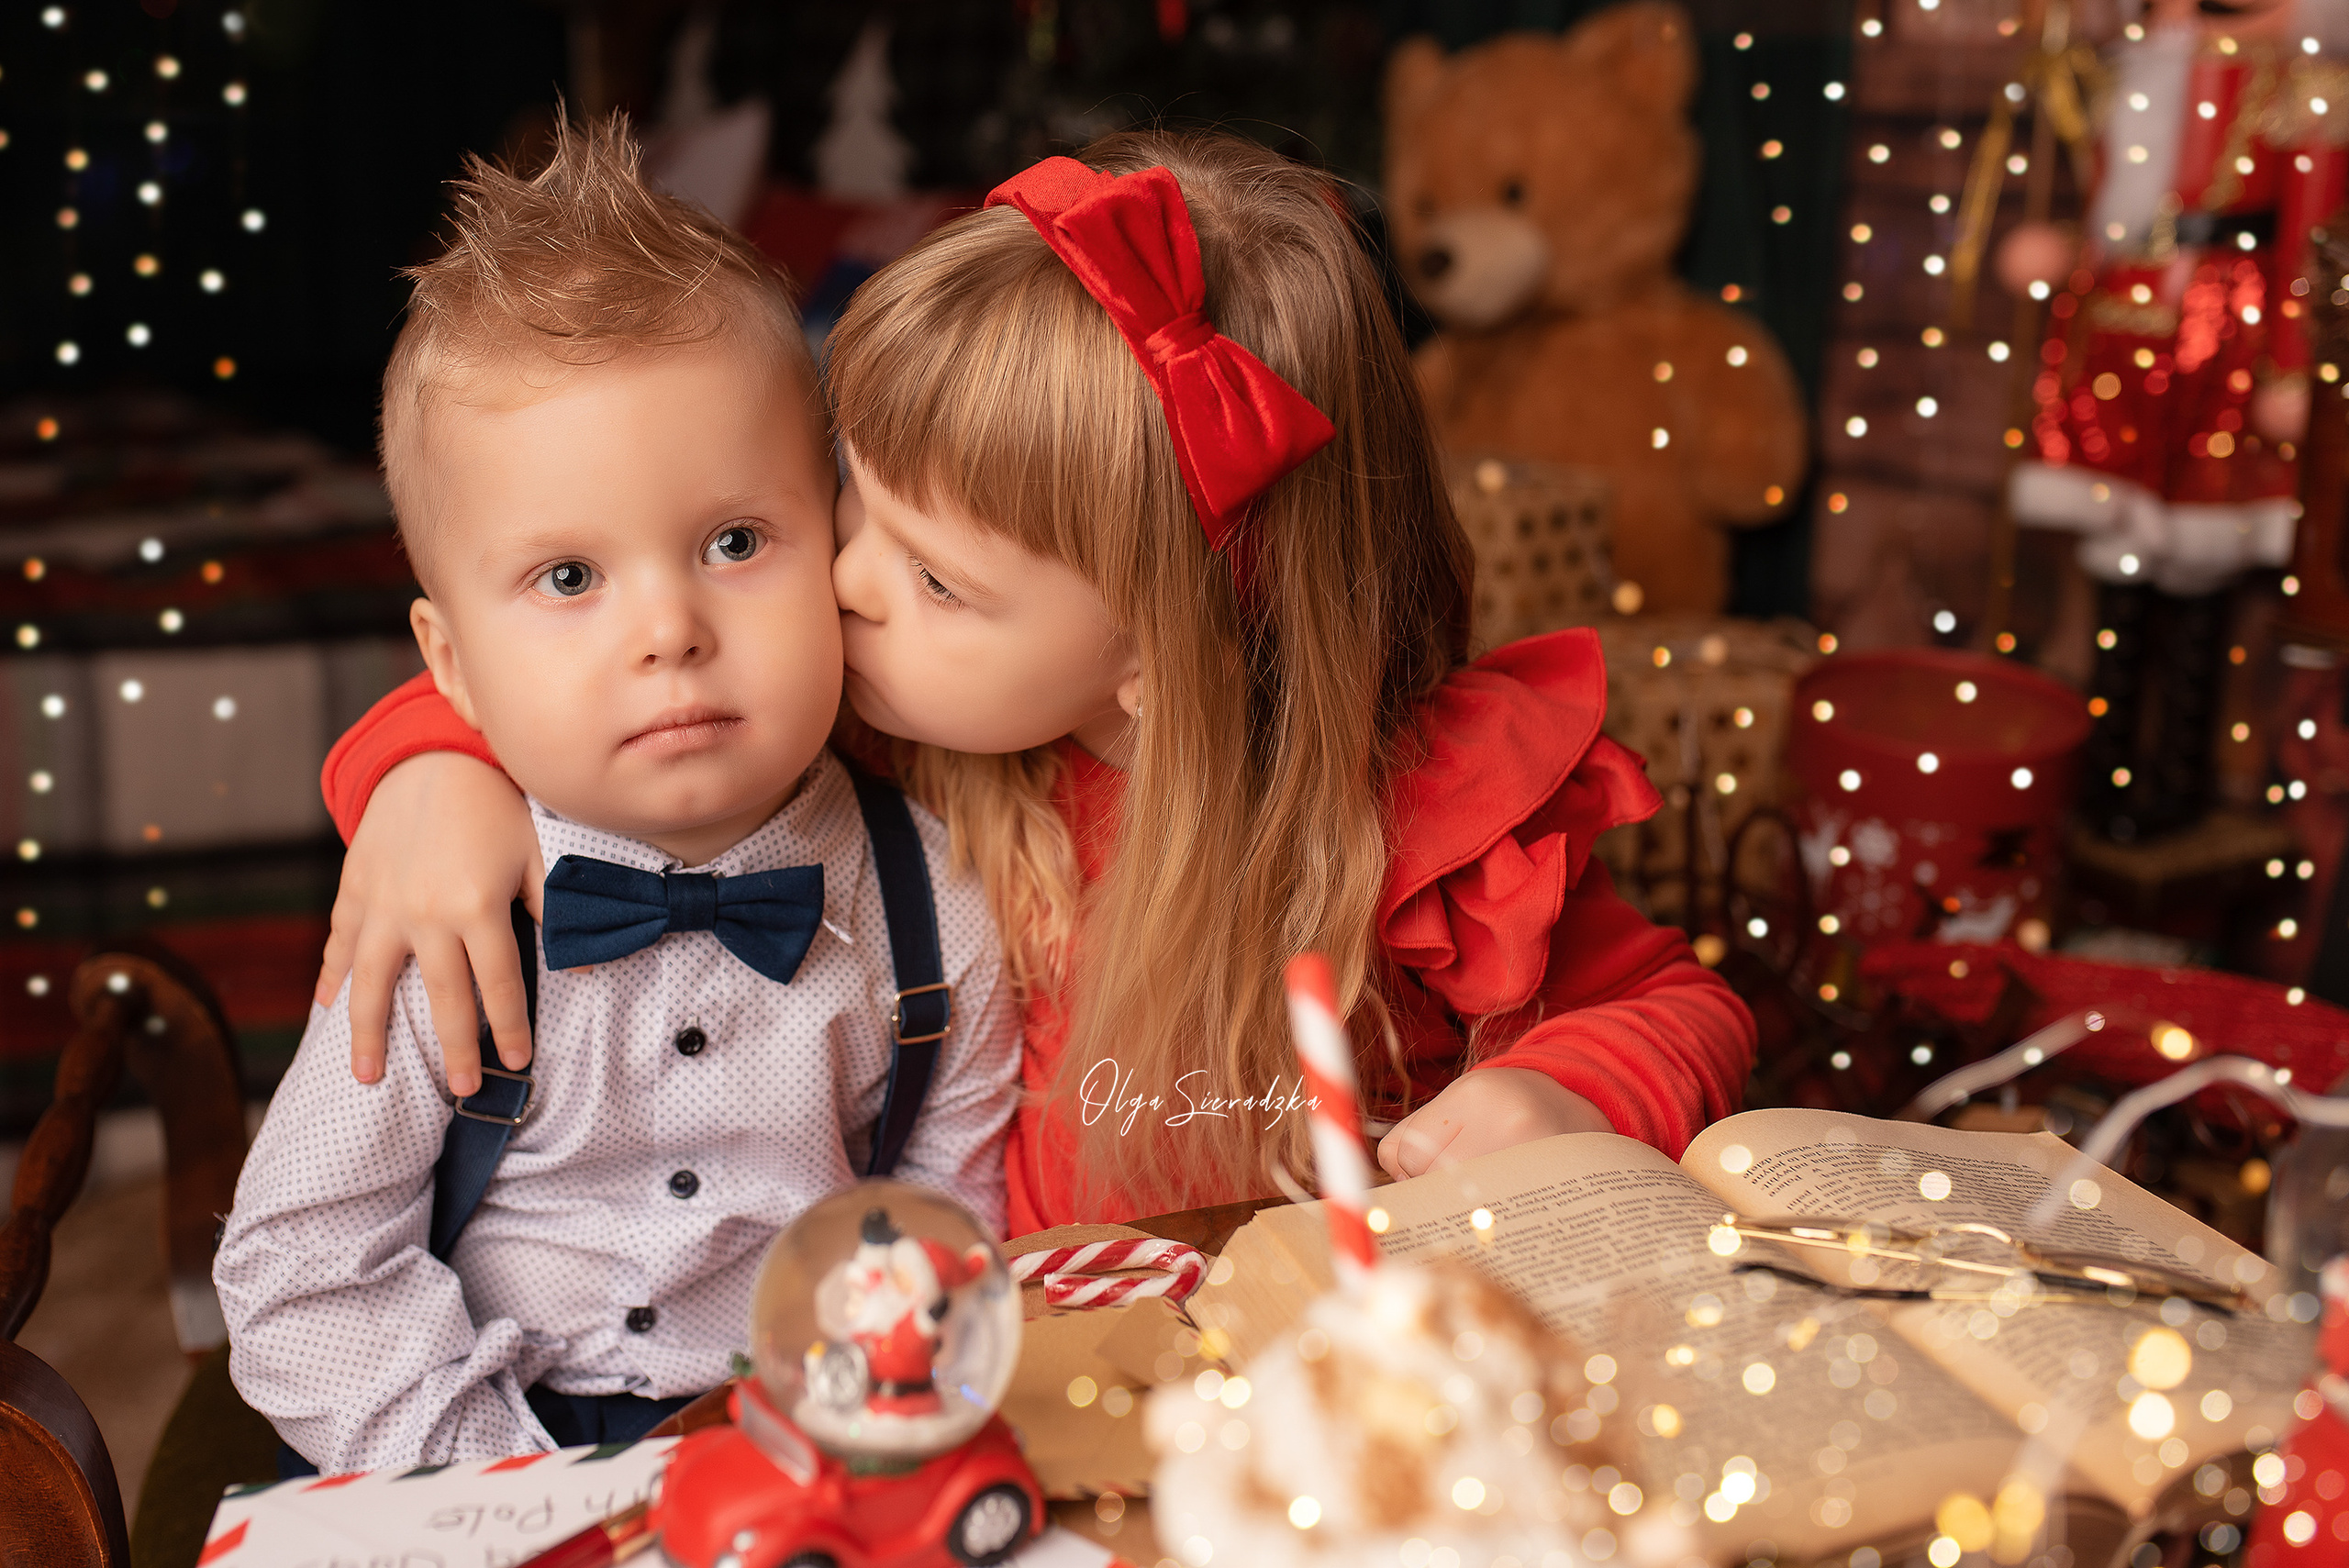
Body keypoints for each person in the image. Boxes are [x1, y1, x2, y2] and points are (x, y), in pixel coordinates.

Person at [310, 128, 1754, 1237]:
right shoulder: (903, 718)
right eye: (853, 504)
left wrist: (1566, 1087)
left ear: (1153, 654)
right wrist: (430, 770)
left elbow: (1684, 1006)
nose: (845, 583)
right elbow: (584, 689)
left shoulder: (1419, 826)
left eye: (938, 579)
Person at [214, 118, 1019, 1474]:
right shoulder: (447, 913)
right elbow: (301, 1272)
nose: (670, 629)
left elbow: (954, 1207)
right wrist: (513, 1492)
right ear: (452, 667)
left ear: (835, 539)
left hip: (817, 1447)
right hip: (481, 1451)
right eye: (571, 578)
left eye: (734, 540)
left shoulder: (932, 899)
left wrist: (869, 1431)